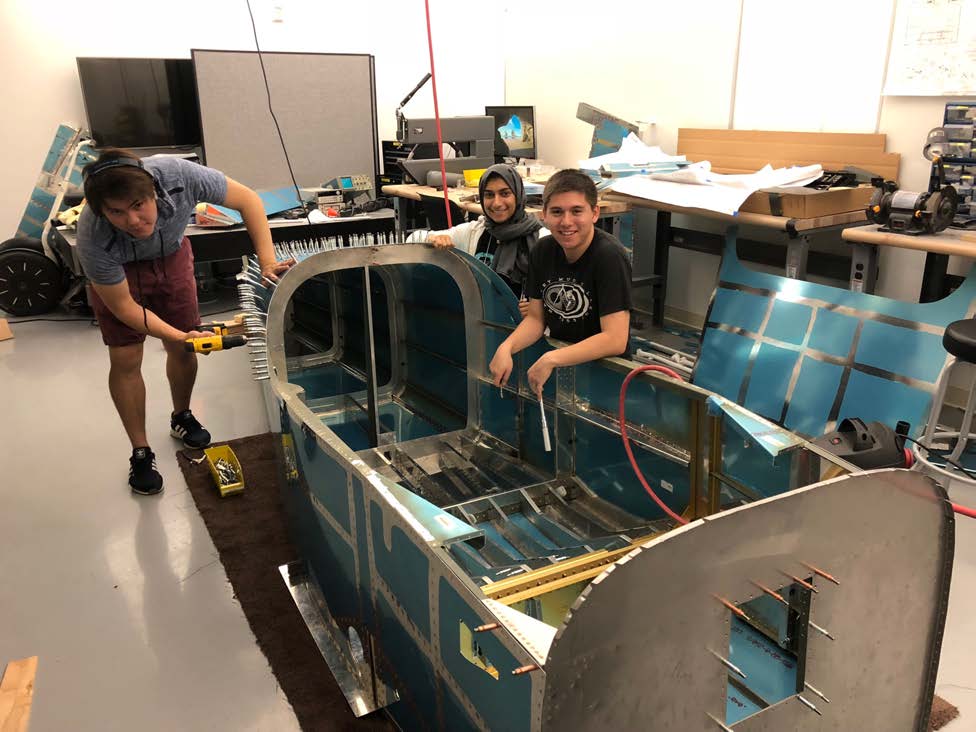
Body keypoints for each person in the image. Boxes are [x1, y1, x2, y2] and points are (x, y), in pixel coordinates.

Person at [76, 148, 295, 496]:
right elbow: (124, 308)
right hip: (120, 275)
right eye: (116, 212)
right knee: (125, 358)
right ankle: (141, 451)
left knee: (181, 351)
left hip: (173, 258)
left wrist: (267, 262)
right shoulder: (92, 236)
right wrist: (179, 334)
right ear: (102, 210)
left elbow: (249, 200)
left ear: (154, 190)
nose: (132, 220)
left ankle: (182, 416)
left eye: (138, 205)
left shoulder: (178, 175)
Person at [488, 168, 632, 397]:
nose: (566, 222)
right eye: (557, 212)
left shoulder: (609, 257)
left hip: (605, 375)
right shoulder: (542, 251)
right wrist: (507, 347)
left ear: (594, 213)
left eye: (576, 211)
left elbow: (615, 339)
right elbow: (536, 319)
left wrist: (552, 358)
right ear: (543, 214)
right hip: (563, 365)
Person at [407, 164, 548, 315]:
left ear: (518, 195)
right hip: (482, 324)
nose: (497, 203)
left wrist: (542, 309)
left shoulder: (542, 239)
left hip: (524, 330)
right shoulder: (475, 231)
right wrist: (434, 239)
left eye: (505, 194)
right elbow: (412, 240)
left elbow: (559, 295)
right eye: (489, 195)